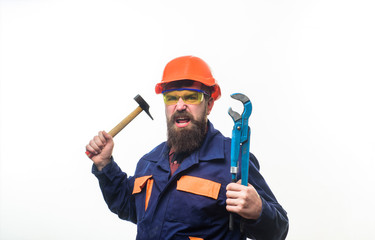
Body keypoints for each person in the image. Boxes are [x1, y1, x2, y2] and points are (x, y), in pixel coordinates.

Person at [86, 55, 289, 240]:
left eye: (192, 97)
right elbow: (129, 207)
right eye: (171, 97)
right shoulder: (150, 161)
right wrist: (105, 166)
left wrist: (259, 211)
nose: (180, 105)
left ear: (209, 105)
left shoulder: (233, 159)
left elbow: (278, 231)